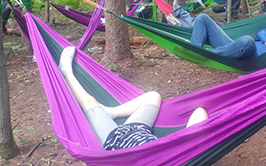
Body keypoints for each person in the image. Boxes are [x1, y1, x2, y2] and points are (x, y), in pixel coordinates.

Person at [58, 46, 208, 150]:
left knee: (89, 101)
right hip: (140, 130)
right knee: (153, 96)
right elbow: (200, 111)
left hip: (115, 141)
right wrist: (191, 141)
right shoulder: (180, 155)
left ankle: (66, 71)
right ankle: (112, 112)